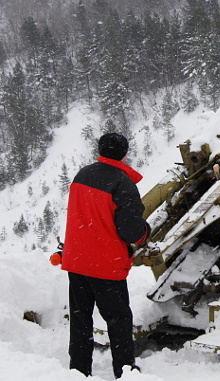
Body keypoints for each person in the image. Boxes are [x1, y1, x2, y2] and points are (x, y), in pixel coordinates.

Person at [61, 132, 150, 378]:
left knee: (80, 320)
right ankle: (125, 370)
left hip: (77, 261)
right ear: (124, 154)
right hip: (106, 266)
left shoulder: (82, 175)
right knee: (118, 319)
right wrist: (145, 232)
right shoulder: (123, 183)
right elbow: (131, 232)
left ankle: (79, 370)